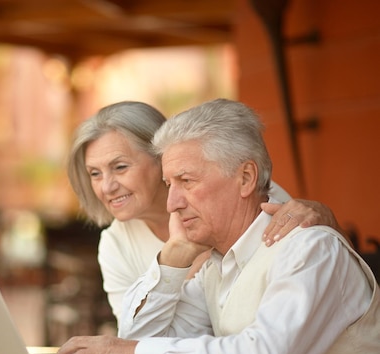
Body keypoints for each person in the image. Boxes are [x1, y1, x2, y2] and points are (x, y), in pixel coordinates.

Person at [57, 99, 379, 354]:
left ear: (245, 178)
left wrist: (134, 352)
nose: (172, 203)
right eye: (170, 184)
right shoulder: (216, 264)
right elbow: (145, 348)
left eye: (186, 181)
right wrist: (174, 256)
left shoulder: (307, 250)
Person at [67, 101, 343, 323]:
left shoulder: (247, 197)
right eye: (94, 173)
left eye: (120, 167)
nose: (107, 186)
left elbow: (317, 265)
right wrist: (179, 263)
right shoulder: (116, 244)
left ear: (161, 157)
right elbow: (139, 337)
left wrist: (326, 219)